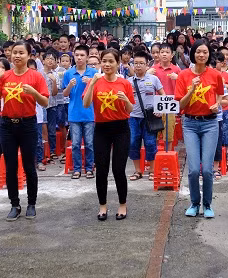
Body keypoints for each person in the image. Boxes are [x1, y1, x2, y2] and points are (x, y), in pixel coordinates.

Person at [0, 41, 49, 221]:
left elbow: (45, 102)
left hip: (28, 124)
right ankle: (14, 204)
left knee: (30, 166)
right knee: (11, 166)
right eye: (14, 52)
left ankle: (32, 203)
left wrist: (34, 93)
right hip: (7, 125)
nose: (17, 56)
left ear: (29, 55)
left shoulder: (36, 76)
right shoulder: (5, 76)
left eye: (21, 53)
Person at [83, 49, 135, 221]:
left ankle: (122, 204)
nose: (107, 64)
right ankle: (102, 206)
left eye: (111, 61)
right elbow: (86, 104)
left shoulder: (125, 83)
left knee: (119, 169)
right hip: (101, 129)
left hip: (121, 128)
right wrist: (91, 84)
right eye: (104, 61)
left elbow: (130, 109)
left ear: (118, 63)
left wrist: (125, 100)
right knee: (102, 169)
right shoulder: (95, 81)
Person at [176, 40, 224, 219]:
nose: (201, 55)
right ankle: (195, 203)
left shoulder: (215, 74)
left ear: (209, 54)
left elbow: (221, 94)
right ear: (193, 54)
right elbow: (181, 103)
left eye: (205, 52)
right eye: (198, 52)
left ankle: (207, 204)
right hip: (189, 123)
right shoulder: (183, 75)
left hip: (210, 123)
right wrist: (192, 89)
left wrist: (217, 104)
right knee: (194, 169)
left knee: (207, 170)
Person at [127, 51, 164, 181]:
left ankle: (152, 170)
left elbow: (163, 95)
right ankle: (138, 171)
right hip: (133, 117)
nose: (138, 66)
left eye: (141, 63)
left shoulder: (153, 79)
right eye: (136, 63)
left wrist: (160, 110)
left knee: (150, 143)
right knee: (133, 143)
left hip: (150, 117)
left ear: (147, 65)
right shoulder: (128, 81)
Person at [63, 45, 97, 179]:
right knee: (76, 143)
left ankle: (89, 168)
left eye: (82, 55)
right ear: (73, 56)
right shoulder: (68, 73)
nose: (79, 58)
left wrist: (91, 83)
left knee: (89, 143)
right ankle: (77, 169)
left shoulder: (94, 73)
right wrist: (70, 85)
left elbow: (99, 92)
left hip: (89, 113)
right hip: (74, 114)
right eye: (77, 55)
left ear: (87, 57)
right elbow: (65, 94)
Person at [148, 43, 181, 151]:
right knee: (155, 132)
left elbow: (184, 85)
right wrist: (147, 74)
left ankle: (168, 155)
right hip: (155, 104)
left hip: (171, 104)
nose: (164, 54)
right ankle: (155, 156)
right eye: (162, 52)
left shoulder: (176, 69)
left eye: (167, 52)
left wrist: (178, 78)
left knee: (169, 133)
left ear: (172, 55)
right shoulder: (153, 69)